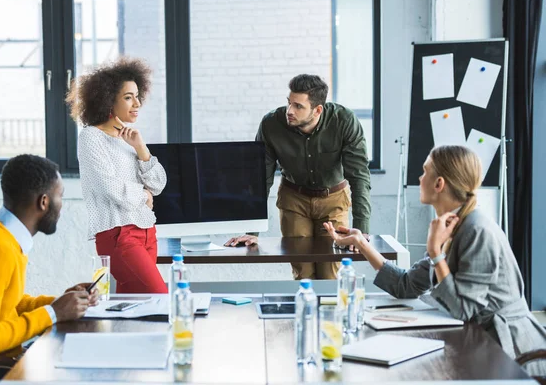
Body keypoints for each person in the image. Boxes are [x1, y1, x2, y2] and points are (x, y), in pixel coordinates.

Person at [324, 145, 546, 374]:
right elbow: (407, 285)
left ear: (439, 184)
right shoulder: (451, 225)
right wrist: (361, 243)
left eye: (424, 171)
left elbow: (463, 309)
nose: (420, 178)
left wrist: (435, 252)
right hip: (478, 340)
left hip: (509, 352)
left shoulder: (476, 230)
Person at [0, 154, 99, 361]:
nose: (62, 205)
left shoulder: (0, 235)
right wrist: (53, 313)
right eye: (60, 196)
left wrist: (62, 303)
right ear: (44, 202)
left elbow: (7, 305)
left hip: (0, 364)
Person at [225, 74, 371, 280]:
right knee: (303, 273)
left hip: (334, 200)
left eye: (298, 106)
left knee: (330, 272)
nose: (289, 111)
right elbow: (260, 179)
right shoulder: (271, 124)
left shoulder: (344, 121)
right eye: (288, 103)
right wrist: (253, 231)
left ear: (317, 109)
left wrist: (361, 230)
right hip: (294, 200)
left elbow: (359, 176)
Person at [66, 56, 168, 294]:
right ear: (108, 101)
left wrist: (141, 149)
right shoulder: (91, 138)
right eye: (128, 97)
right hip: (118, 235)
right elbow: (111, 189)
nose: (137, 103)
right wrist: (143, 195)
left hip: (147, 233)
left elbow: (158, 185)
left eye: (137, 96)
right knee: (160, 298)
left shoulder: (130, 139)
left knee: (136, 309)